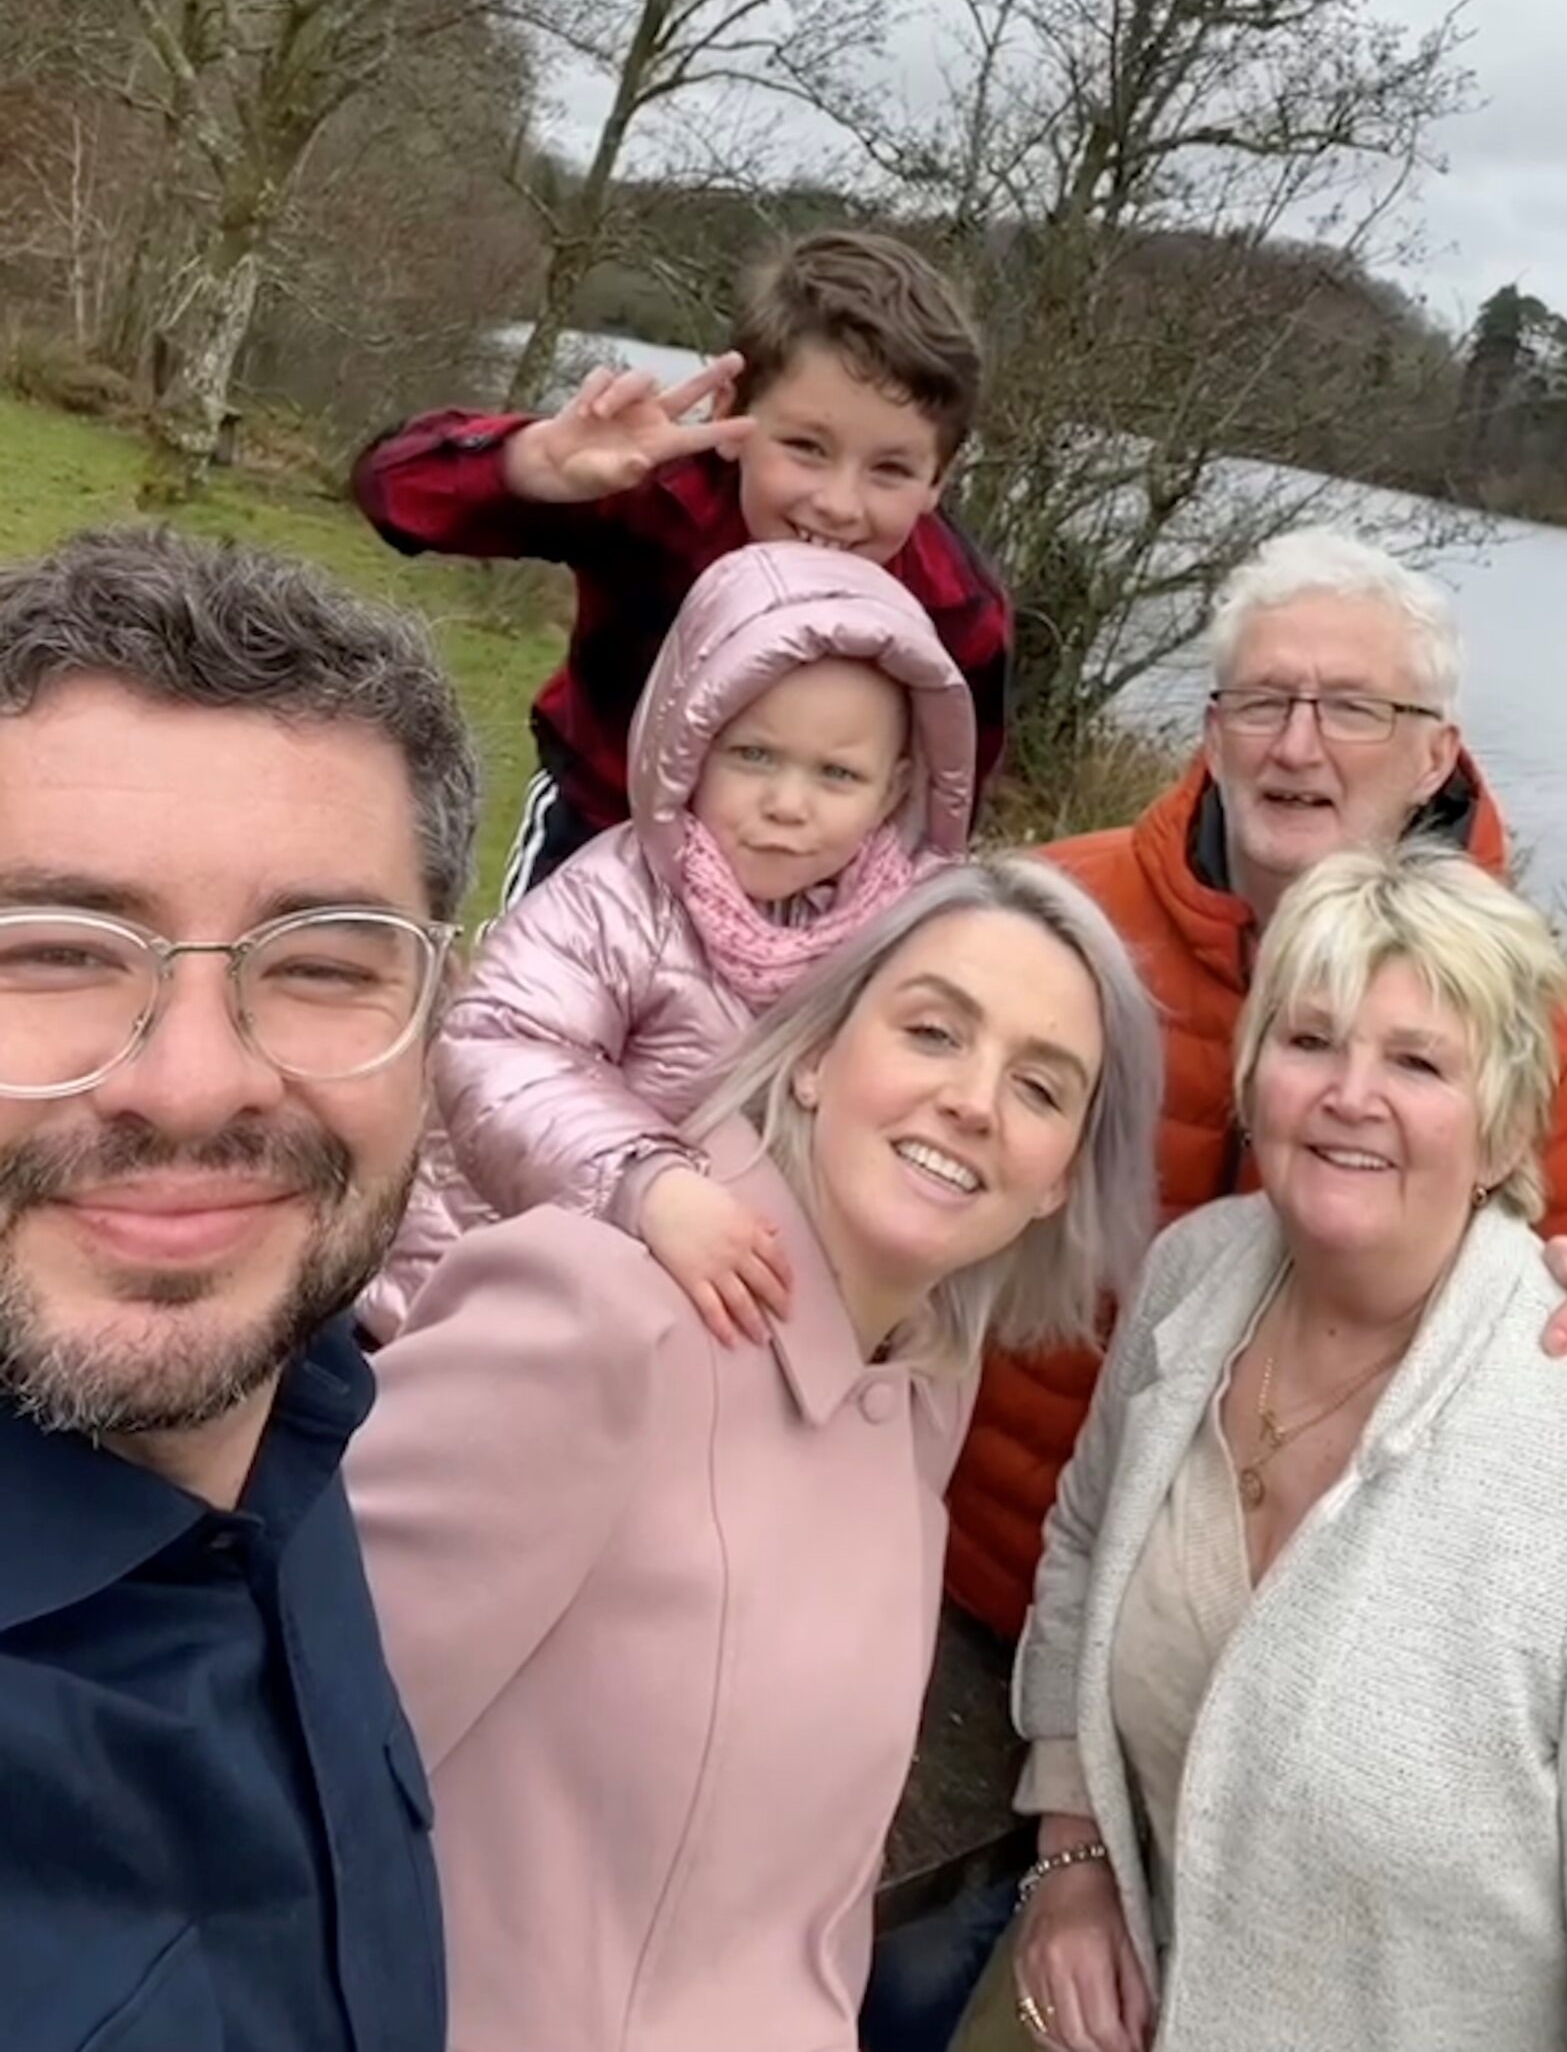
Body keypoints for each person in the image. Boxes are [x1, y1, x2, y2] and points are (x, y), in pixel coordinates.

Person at [344, 858, 1163, 2052]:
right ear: (819, 1053)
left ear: (1059, 1181)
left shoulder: (920, 1393)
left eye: (1040, 1086)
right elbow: (282, 1767)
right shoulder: (602, 1318)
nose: (975, 1100)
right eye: (934, 1031)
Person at [996, 843, 1567, 2052]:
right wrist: (1076, 1851)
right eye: (1310, 1040)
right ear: (1255, 1074)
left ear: (1505, 1129)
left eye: (1418, 1061)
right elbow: (1085, 1536)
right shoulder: (1190, 1281)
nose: (1349, 1093)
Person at [947, 528, 1567, 1644]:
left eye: (1354, 709)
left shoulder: (1530, 1010)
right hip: (974, 1566)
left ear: (1435, 756)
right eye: (1262, 701)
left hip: (1277, 1654)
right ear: (1213, 732)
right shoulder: (1055, 919)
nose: (1298, 744)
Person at [0, 524, 475, 2052]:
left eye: (324, 963)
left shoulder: (293, 1407)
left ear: (435, 1023)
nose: (194, 1083)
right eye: (55, 950)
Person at [358, 540, 977, 1347]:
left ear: (894, 787)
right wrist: (645, 1181)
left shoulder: (901, 933)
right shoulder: (621, 900)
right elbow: (494, 1045)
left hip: (699, 1325)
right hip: (492, 1298)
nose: (789, 804)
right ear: (690, 747)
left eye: (837, 775)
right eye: (754, 756)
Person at [353, 227, 1012, 902]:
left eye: (891, 469)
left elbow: (945, 806)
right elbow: (391, 491)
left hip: (798, 875)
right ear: (728, 410)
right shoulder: (654, 496)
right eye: (806, 447)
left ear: (939, 477)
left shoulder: (954, 612)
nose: (840, 505)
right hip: (603, 827)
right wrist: (533, 461)